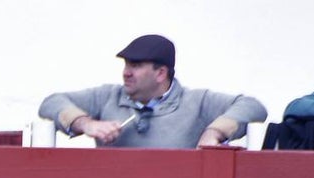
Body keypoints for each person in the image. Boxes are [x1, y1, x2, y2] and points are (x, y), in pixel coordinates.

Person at [38, 34, 267, 148]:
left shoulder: (197, 102)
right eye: (126, 65)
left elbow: (253, 107)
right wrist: (86, 124)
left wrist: (214, 132)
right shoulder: (107, 97)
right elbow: (51, 102)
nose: (126, 72)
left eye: (136, 66)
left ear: (160, 74)